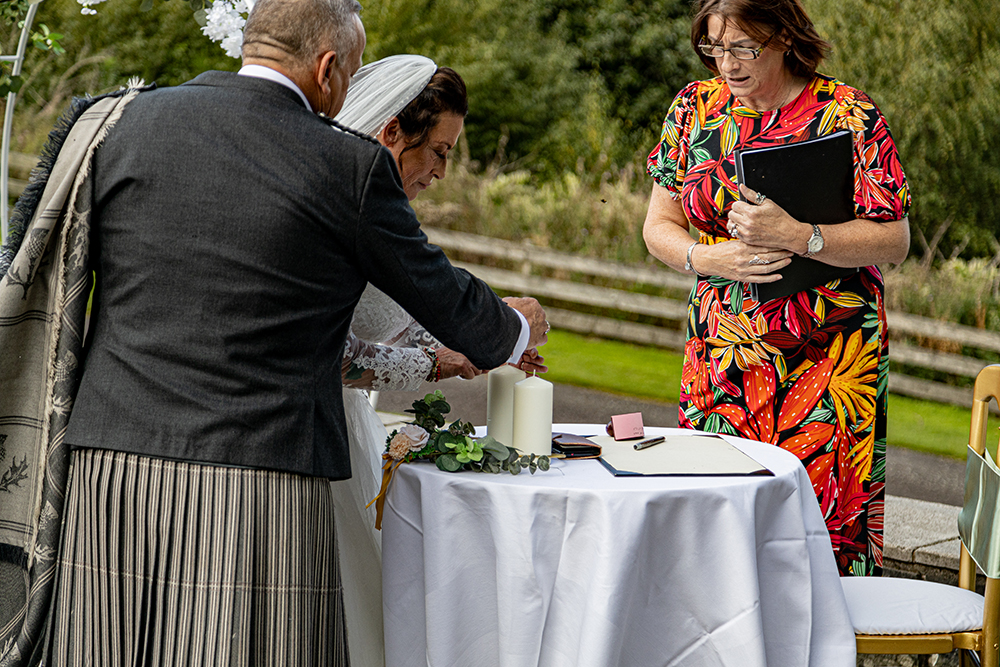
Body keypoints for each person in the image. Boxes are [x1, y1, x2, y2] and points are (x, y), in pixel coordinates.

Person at [34, 0, 548, 664]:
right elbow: (440, 293)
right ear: (328, 68)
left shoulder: (122, 122)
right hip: (257, 476)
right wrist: (515, 327)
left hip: (109, 466)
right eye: (351, 71)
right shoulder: (348, 165)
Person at [642, 0, 910, 576]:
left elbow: (894, 239)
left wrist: (799, 236)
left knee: (819, 534)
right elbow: (658, 226)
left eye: (744, 48)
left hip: (832, 366)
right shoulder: (694, 108)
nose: (727, 64)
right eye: (715, 48)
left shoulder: (848, 114)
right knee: (715, 523)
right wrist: (706, 257)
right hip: (722, 357)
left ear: (784, 38)